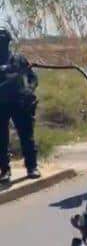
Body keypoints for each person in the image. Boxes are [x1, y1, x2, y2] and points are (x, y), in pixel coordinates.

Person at [0, 28, 40, 183]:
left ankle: (32, 167)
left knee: (27, 137)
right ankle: (5, 170)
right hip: (1, 105)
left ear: (9, 42)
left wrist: (29, 90)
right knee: (1, 140)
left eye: (3, 40)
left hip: (20, 103)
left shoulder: (19, 59)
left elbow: (33, 77)